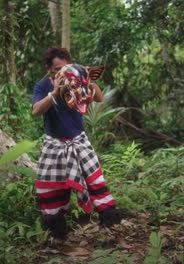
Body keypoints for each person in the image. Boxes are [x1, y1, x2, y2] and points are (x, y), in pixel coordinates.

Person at [32, 47, 120, 239]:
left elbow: (99, 97)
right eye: (56, 70)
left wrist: (88, 78)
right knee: (50, 187)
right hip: (54, 144)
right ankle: (56, 232)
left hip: (79, 141)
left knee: (95, 182)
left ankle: (110, 226)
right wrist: (54, 92)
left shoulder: (76, 80)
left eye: (64, 68)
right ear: (48, 69)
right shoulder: (42, 86)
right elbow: (36, 111)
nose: (61, 72)